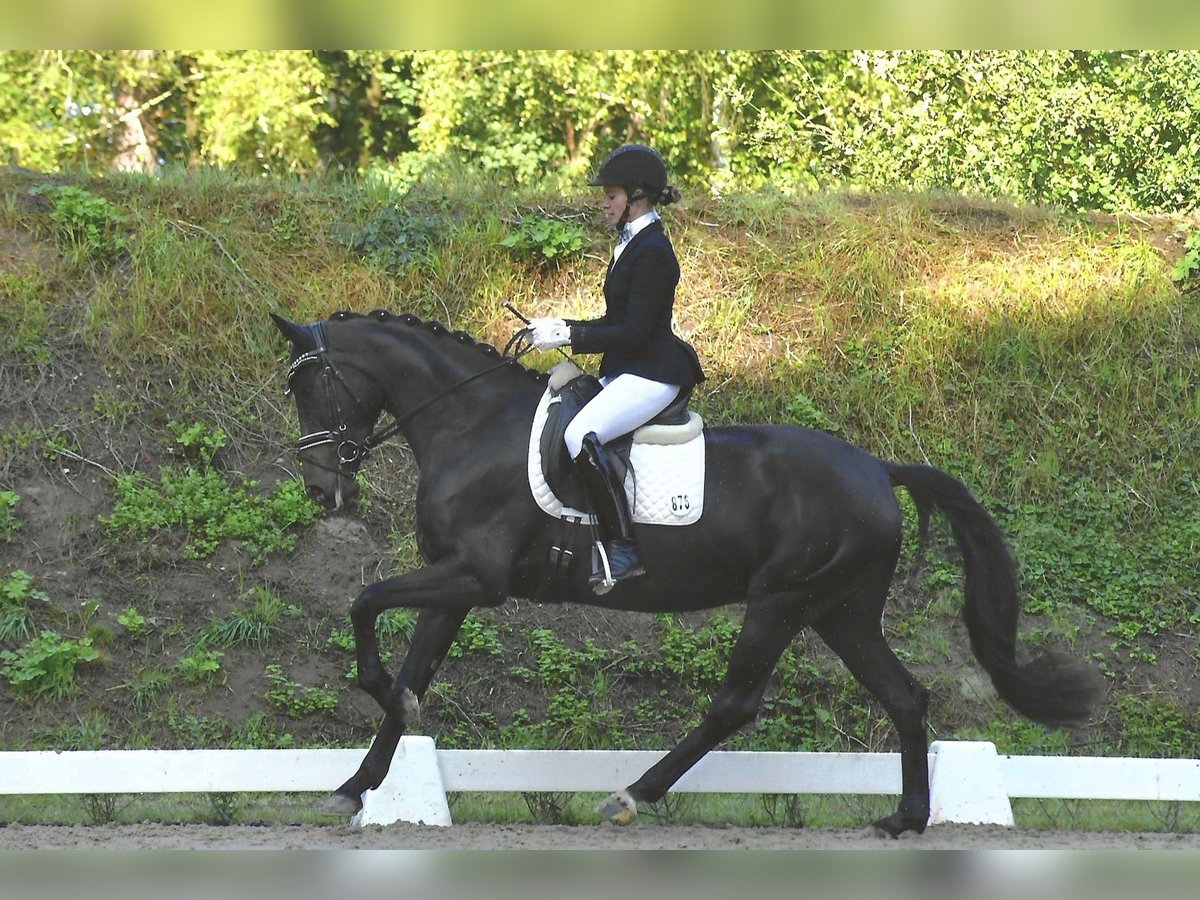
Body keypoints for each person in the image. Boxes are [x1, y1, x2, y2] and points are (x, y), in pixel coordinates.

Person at [527, 143, 705, 592]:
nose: (604, 203)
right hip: (629, 366)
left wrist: (570, 336)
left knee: (578, 436)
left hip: (653, 372)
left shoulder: (654, 252)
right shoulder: (630, 244)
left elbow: (635, 332)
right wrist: (562, 325)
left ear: (637, 196)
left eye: (611, 195)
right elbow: (613, 323)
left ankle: (624, 550)